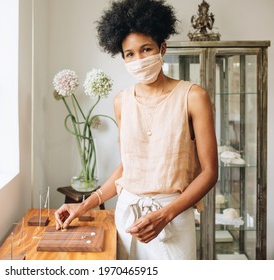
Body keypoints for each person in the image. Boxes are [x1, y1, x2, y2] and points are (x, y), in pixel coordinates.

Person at [54, 0, 218, 260]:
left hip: (172, 221)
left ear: (162, 48)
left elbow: (209, 172)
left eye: (146, 49)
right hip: (128, 219)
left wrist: (165, 215)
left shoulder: (193, 96)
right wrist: (84, 206)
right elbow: (127, 169)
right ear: (123, 57)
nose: (138, 59)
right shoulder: (121, 101)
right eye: (130, 54)